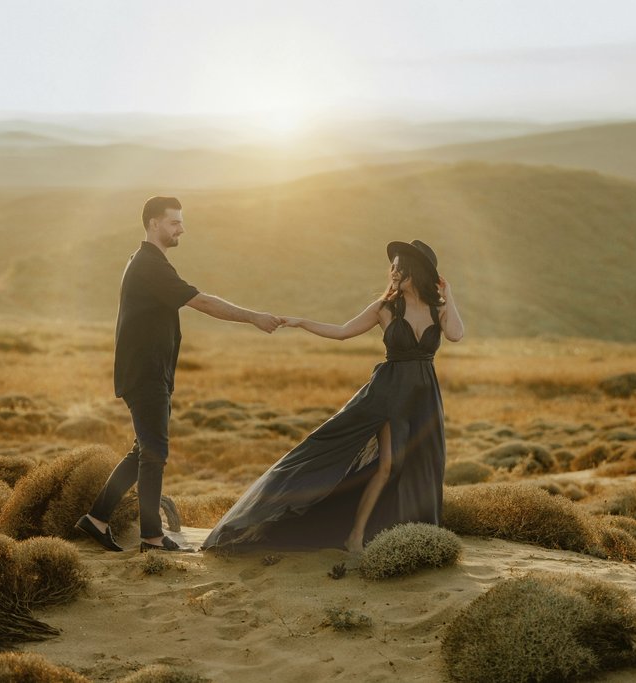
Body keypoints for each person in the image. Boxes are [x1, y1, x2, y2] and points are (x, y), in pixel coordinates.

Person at [202, 239, 464, 553]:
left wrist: (448, 295)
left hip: (425, 397)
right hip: (389, 395)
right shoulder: (385, 308)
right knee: (388, 467)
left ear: (416, 271)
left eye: (400, 268)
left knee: (427, 463)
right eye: (392, 267)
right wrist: (302, 323)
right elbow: (342, 331)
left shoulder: (438, 309)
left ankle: (418, 535)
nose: (393, 273)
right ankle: (355, 535)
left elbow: (456, 334)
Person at [75, 196, 282, 553]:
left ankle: (95, 520)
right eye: (174, 222)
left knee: (142, 451)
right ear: (154, 223)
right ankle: (152, 539)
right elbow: (200, 300)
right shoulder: (149, 265)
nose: (181, 229)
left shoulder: (147, 261)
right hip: (146, 374)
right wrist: (253, 316)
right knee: (154, 454)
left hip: (148, 372)